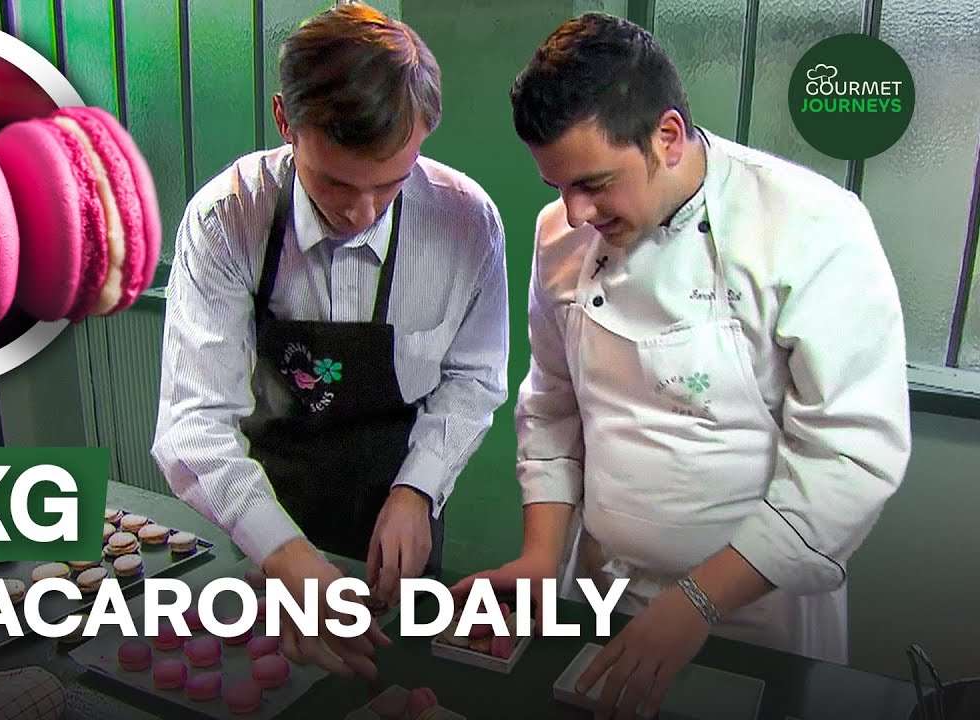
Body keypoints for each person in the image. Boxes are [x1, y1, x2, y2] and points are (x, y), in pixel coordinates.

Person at [453, 12, 911, 719]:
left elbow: (850, 457)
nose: (575, 213)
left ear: (667, 136)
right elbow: (552, 403)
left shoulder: (812, 227)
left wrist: (696, 600)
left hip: (754, 612)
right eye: (558, 186)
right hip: (601, 587)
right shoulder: (561, 236)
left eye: (594, 183)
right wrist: (542, 558)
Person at [153, 1, 508, 679]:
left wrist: (419, 490)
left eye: (390, 185)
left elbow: (473, 379)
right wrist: (285, 554)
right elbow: (194, 423)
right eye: (336, 183)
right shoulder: (227, 218)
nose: (362, 212)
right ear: (285, 121)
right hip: (264, 504)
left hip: (398, 502)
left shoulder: (467, 223)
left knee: (395, 686)